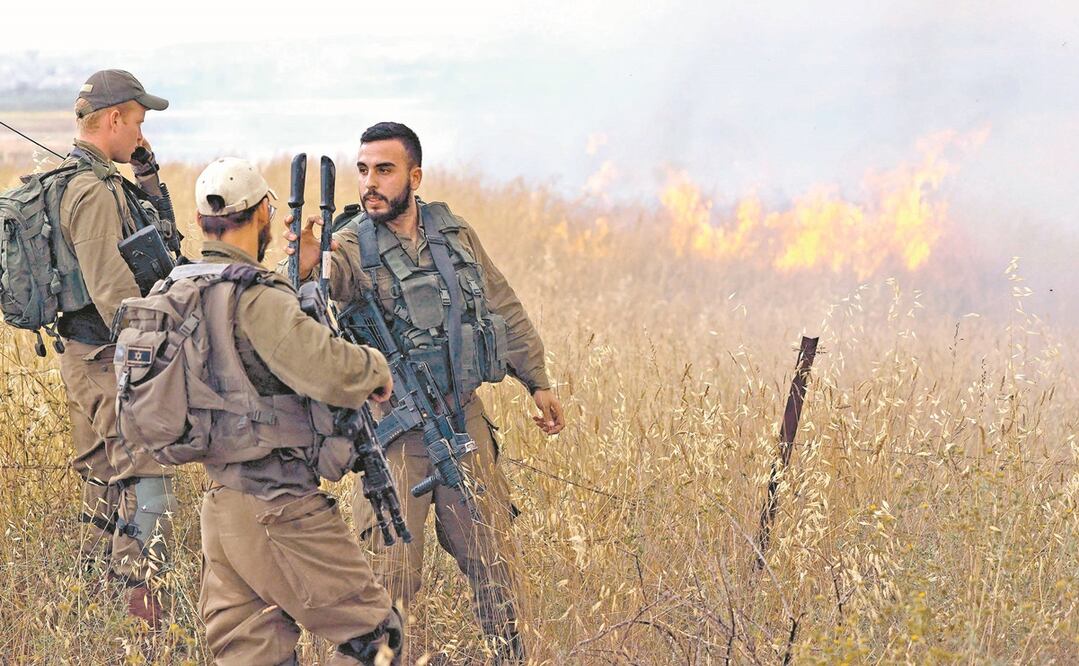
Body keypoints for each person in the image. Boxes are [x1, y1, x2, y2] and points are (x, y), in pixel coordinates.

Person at [285, 122, 566, 662]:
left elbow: (500, 303)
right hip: (395, 436)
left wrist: (537, 381)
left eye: (384, 170)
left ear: (414, 176)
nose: (370, 182)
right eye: (363, 170)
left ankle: (513, 656)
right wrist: (303, 260)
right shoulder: (347, 247)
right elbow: (312, 287)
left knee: (495, 561)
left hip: (464, 424)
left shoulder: (453, 233)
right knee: (389, 576)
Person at [147, 157, 402, 664]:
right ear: (264, 212)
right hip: (278, 504)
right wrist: (375, 368)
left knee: (252, 654)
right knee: (376, 640)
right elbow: (329, 367)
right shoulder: (256, 295)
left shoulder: (179, 288)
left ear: (200, 222)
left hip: (223, 508)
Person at [55, 69, 178, 623]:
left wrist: (147, 174)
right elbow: (112, 291)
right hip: (107, 358)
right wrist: (151, 361)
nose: (140, 134)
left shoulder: (92, 179)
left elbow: (164, 239)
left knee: (103, 478)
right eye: (137, 122)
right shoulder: (90, 190)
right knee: (147, 481)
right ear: (112, 119)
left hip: (89, 357)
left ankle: (90, 610)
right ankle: (139, 615)